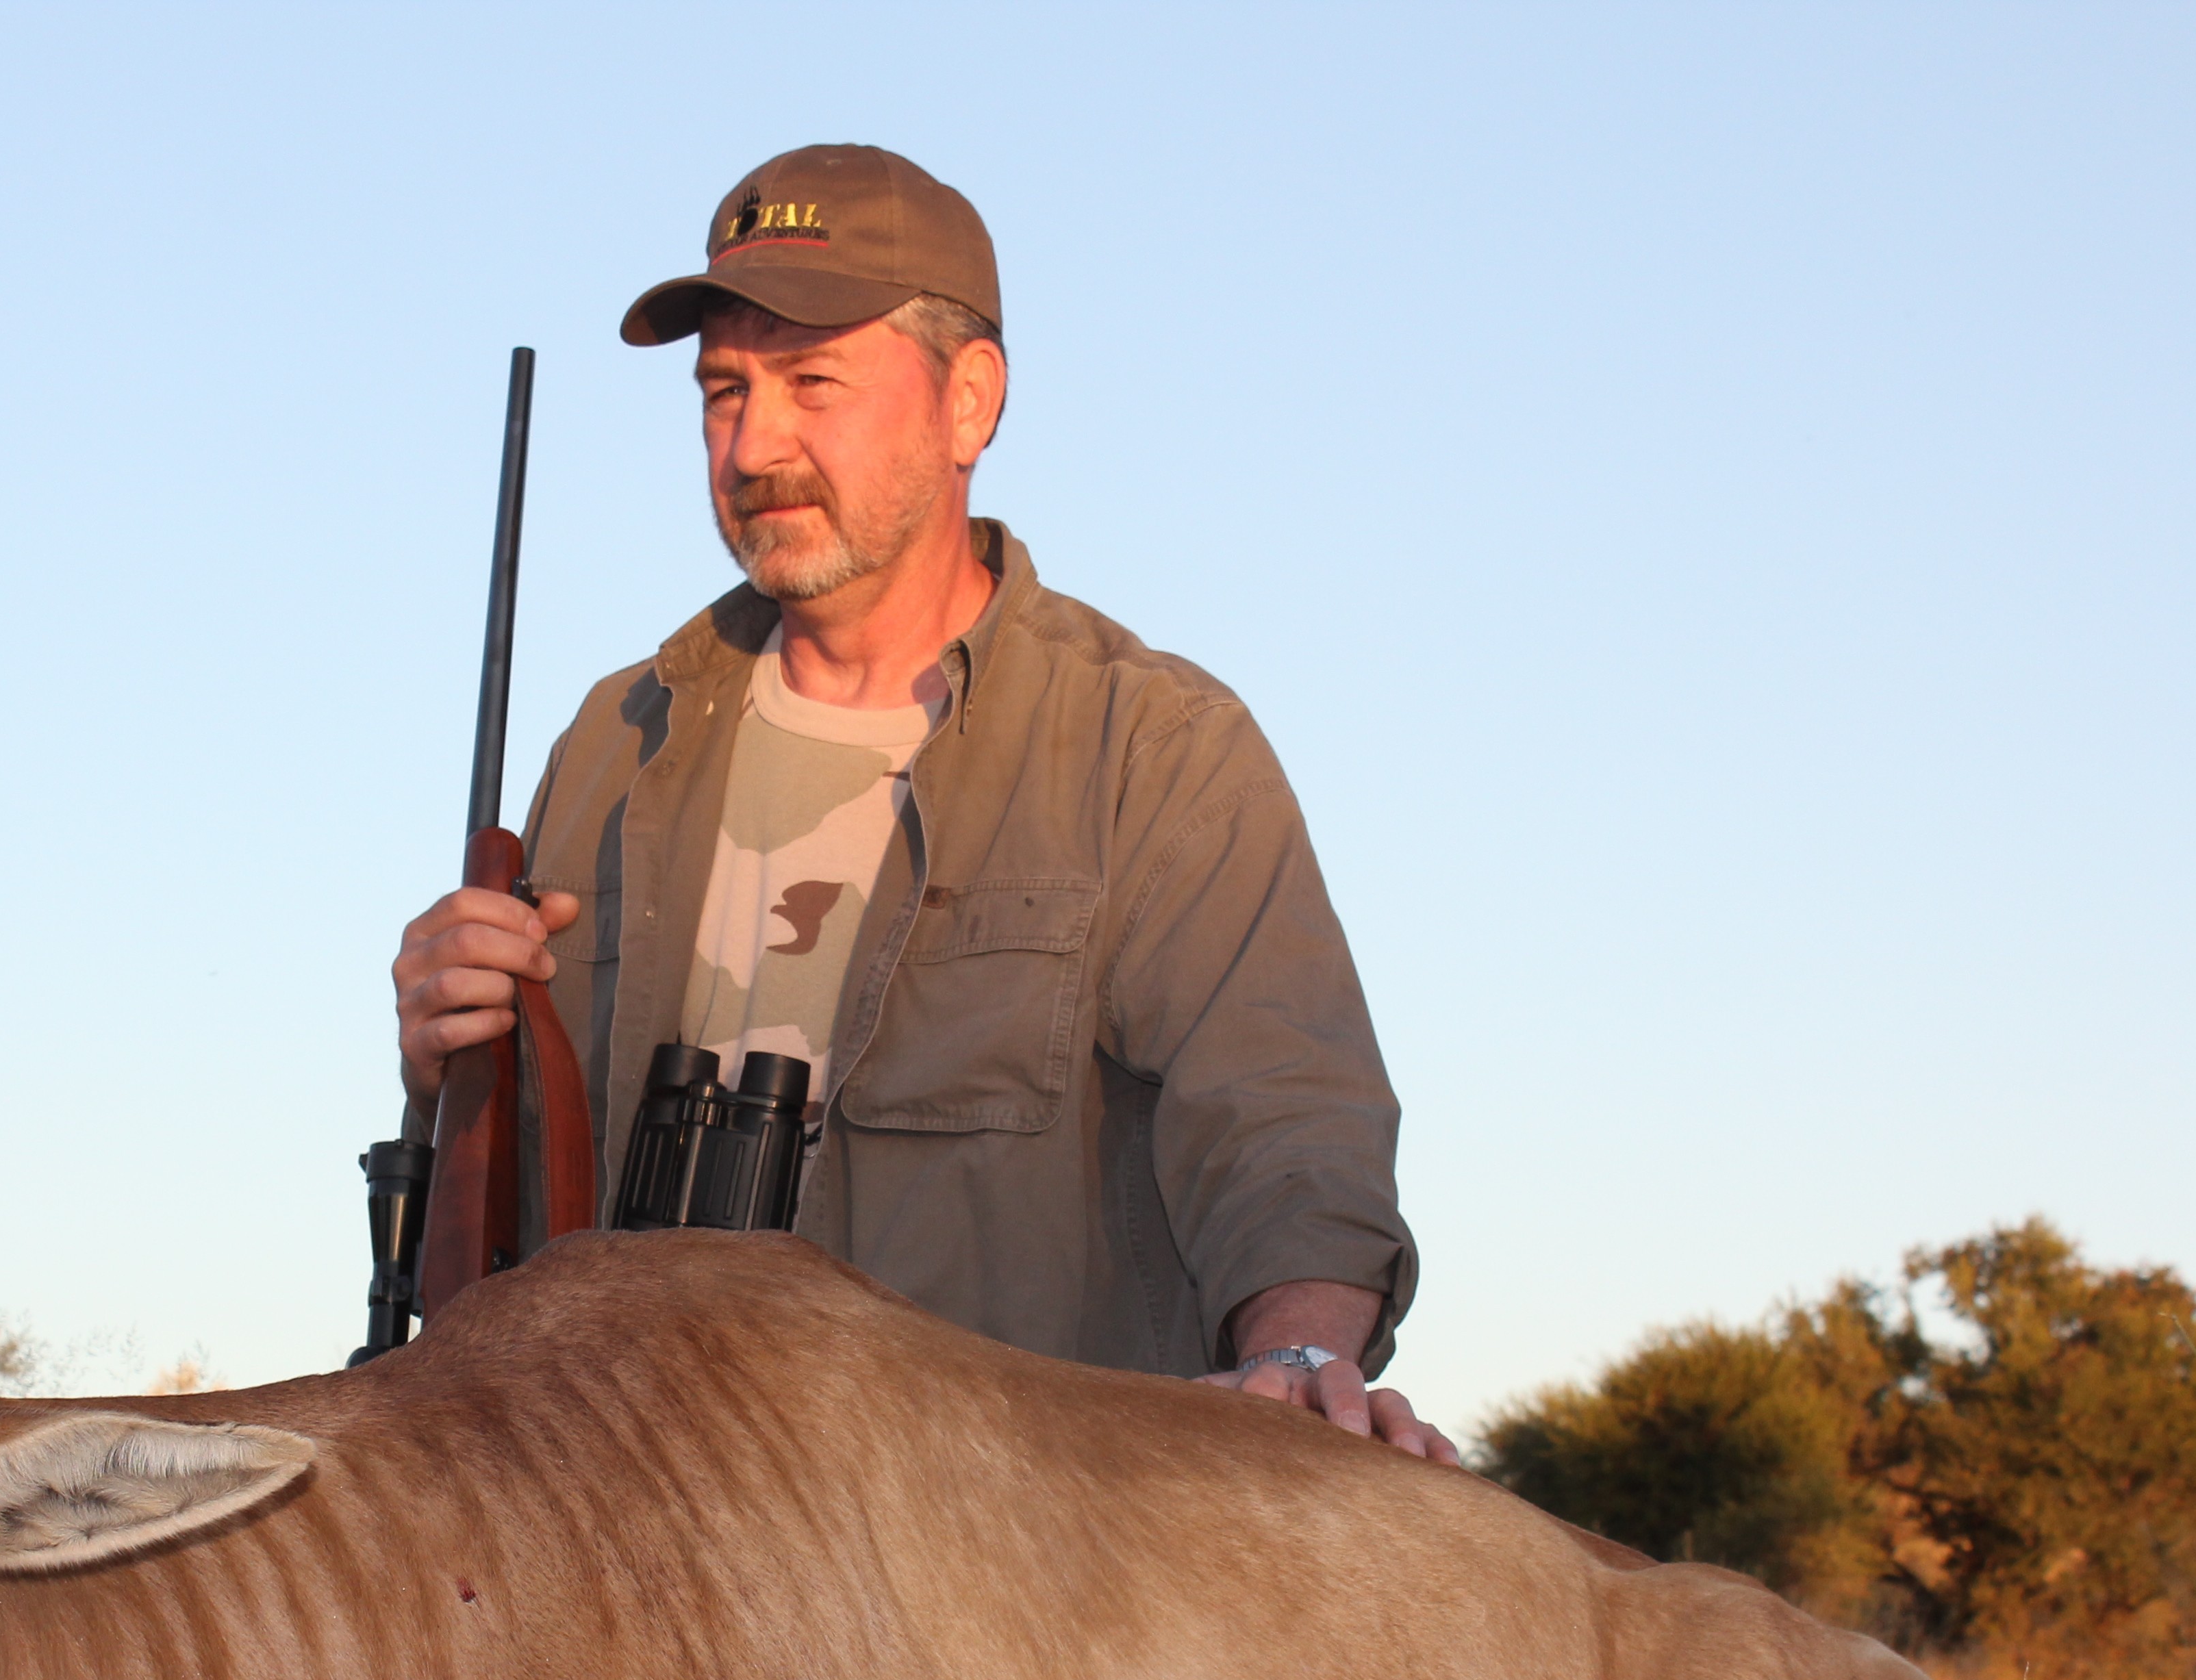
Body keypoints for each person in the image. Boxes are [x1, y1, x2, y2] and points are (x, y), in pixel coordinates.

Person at [390, 144, 1454, 1462]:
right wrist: (444, 1057)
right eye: (724, 389)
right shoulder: (614, 740)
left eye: (812, 381)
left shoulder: (1152, 747)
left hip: (998, 1576)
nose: (753, 442)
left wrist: (1298, 1361)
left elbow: (1291, 1127)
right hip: (627, 1543)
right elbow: (503, 1202)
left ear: (970, 402)